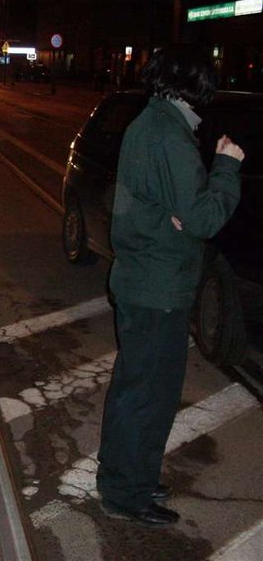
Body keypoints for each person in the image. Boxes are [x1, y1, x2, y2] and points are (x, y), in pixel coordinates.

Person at [96, 44, 245, 526]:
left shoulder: (150, 123)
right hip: (156, 288)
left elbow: (149, 205)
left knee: (137, 389)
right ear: (194, 82)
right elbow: (202, 216)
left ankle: (128, 477)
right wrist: (226, 166)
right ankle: (126, 493)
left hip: (143, 280)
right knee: (148, 395)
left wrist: (172, 217)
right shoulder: (169, 135)